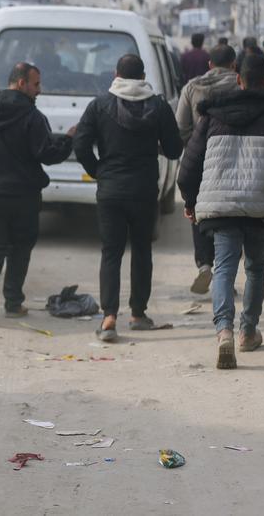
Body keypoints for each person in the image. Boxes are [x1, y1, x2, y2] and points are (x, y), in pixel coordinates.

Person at [0, 62, 75, 326]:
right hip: (24, 196)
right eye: (36, 84)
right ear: (21, 83)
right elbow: (47, 154)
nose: (39, 91)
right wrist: (67, 139)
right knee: (20, 248)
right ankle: (13, 303)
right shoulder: (32, 117)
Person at [177, 53, 264, 369]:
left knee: (223, 267)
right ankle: (248, 332)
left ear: (237, 77)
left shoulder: (212, 115)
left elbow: (188, 165)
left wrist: (190, 202)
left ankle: (223, 332)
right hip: (261, 205)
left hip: (220, 205)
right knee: (256, 269)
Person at [73, 54, 183, 341]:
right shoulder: (158, 106)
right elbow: (174, 149)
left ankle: (109, 316)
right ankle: (138, 314)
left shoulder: (99, 105)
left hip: (110, 189)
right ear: (143, 76)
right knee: (142, 251)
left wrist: (98, 171)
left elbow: (81, 144)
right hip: (144, 190)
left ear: (116, 75)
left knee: (111, 252)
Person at [175, 44, 239, 294]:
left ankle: (204, 263)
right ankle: (226, 273)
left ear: (210, 64)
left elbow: (181, 127)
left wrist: (197, 144)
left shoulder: (192, 87)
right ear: (234, 65)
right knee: (231, 216)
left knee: (199, 210)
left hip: (201, 160)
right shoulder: (243, 85)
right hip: (235, 159)